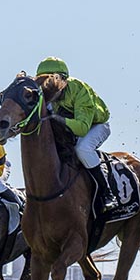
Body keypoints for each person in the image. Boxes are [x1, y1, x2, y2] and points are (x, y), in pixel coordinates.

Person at [34, 57, 117, 213]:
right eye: (44, 84)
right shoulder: (43, 95)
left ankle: (106, 192)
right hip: (72, 124)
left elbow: (82, 129)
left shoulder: (79, 89)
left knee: (82, 149)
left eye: (51, 83)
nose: (47, 89)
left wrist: (58, 118)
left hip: (95, 125)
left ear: (63, 81)